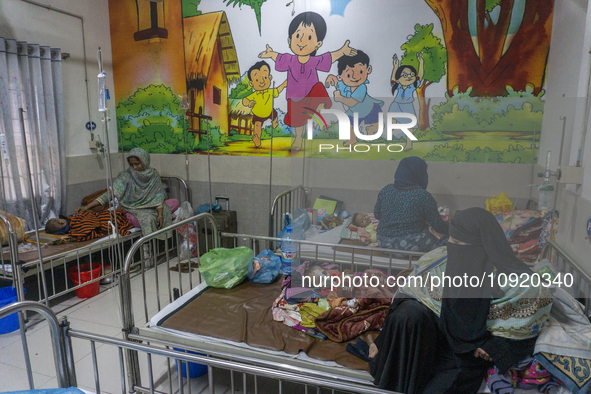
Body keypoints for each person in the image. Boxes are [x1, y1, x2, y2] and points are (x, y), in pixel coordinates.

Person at [350, 208, 552, 394]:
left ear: (483, 244)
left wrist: (495, 346)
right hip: (431, 341)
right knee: (408, 313)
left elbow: (524, 324)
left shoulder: (520, 284)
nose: (450, 248)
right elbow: (409, 293)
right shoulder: (439, 259)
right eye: (450, 241)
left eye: (458, 244)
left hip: (465, 354)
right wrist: (385, 340)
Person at [259, 11, 356, 150]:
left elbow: (328, 58)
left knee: (318, 87)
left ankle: (319, 106)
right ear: (289, 40)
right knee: (297, 122)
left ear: (318, 43)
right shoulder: (289, 60)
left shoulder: (314, 61)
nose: (302, 41)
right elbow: (279, 57)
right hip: (294, 98)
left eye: (309, 37)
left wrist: (342, 51)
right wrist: (270, 54)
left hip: (311, 95)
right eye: (297, 35)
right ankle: (298, 139)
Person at [75, 148, 171, 239]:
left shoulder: (154, 175)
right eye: (132, 164)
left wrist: (160, 214)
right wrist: (87, 207)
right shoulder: (126, 176)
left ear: (145, 162)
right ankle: (147, 239)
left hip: (150, 206)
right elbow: (109, 194)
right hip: (131, 207)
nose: (134, 167)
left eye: (137, 164)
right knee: (148, 219)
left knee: (171, 204)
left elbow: (158, 196)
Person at [374, 156, 448, 252]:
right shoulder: (423, 196)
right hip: (411, 244)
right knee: (449, 241)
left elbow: (377, 215)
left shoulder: (386, 190)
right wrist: (455, 229)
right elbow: (438, 226)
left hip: (383, 242)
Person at [325, 50, 384, 146]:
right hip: (354, 112)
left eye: (360, 71)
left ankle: (371, 130)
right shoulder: (344, 84)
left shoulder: (361, 87)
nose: (354, 77)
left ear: (368, 69)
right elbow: (337, 83)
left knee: (377, 126)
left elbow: (352, 102)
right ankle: (352, 139)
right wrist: (331, 78)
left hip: (371, 109)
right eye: (348, 75)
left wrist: (340, 98)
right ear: (341, 76)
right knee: (347, 124)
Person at [242, 61, 288, 148]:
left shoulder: (270, 91)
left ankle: (274, 122)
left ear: (269, 77)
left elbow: (278, 90)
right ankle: (257, 139)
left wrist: (284, 84)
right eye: (257, 80)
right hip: (258, 114)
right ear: (251, 83)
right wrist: (249, 103)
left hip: (269, 111)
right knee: (257, 126)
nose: (262, 81)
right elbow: (244, 100)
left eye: (265, 77)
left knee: (275, 115)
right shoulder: (254, 95)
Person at [389, 53, 423, 150]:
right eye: (405, 75)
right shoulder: (398, 85)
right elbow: (393, 79)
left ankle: (409, 144)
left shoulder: (413, 86)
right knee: (392, 120)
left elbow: (420, 76)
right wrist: (395, 67)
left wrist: (421, 62)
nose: (408, 77)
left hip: (408, 106)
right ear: (399, 78)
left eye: (411, 74)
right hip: (396, 104)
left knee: (410, 125)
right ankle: (389, 135)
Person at [45, 210, 133, 241]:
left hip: (102, 216)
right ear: (60, 222)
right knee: (116, 216)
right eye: (57, 220)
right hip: (104, 220)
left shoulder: (71, 220)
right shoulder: (75, 229)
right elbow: (89, 224)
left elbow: (88, 214)